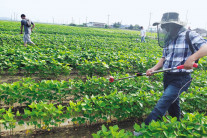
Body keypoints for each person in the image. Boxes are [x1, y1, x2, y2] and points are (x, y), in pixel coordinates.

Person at [134, 12, 207, 136]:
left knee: (163, 102)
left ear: (175, 25)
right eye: (163, 26)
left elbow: (205, 47)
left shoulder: (189, 35)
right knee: (173, 102)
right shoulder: (168, 39)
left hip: (181, 78)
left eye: (167, 26)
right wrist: (153, 68)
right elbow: (164, 58)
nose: (164, 29)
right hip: (168, 76)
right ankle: (177, 126)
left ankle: (144, 131)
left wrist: (192, 58)